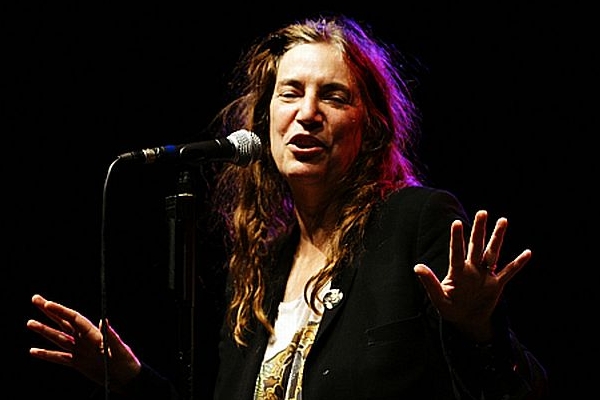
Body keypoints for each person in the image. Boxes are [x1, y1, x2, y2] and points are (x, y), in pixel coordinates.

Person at [26, 13, 548, 400]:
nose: (308, 113)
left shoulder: (415, 222)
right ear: (265, 121)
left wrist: (480, 331)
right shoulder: (260, 270)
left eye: (334, 96)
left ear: (370, 127)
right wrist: (132, 381)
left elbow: (520, 389)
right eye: (290, 92)